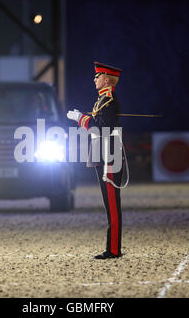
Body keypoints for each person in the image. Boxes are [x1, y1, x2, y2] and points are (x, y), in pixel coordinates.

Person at [67, 62, 124, 259]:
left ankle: (114, 249)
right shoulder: (103, 100)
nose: (95, 79)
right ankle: (113, 248)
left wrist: (80, 119)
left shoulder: (108, 100)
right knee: (110, 205)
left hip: (108, 156)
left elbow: (99, 129)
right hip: (104, 155)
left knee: (112, 206)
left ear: (107, 79)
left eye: (98, 76)